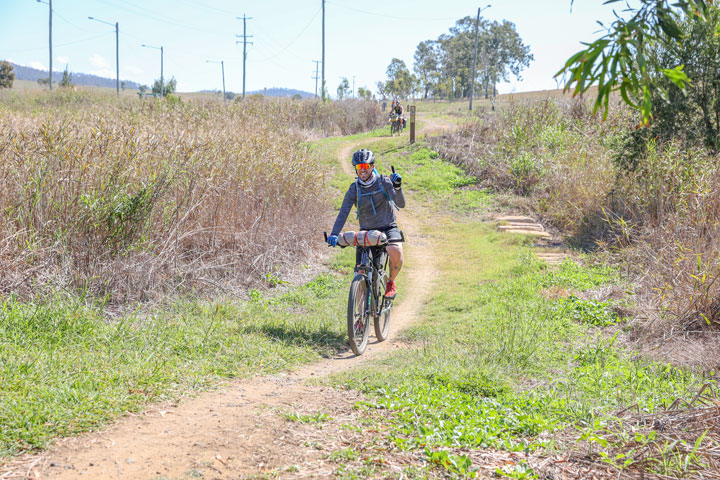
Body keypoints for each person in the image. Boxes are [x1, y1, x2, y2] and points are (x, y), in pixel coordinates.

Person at [327, 149, 405, 298]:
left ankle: (391, 282)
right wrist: (334, 234)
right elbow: (343, 212)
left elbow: (401, 204)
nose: (362, 170)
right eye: (359, 167)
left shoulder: (383, 181)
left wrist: (398, 188)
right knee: (359, 271)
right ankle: (359, 320)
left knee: (396, 250)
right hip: (367, 230)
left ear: (372, 166)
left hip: (388, 226)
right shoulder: (354, 189)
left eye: (365, 166)